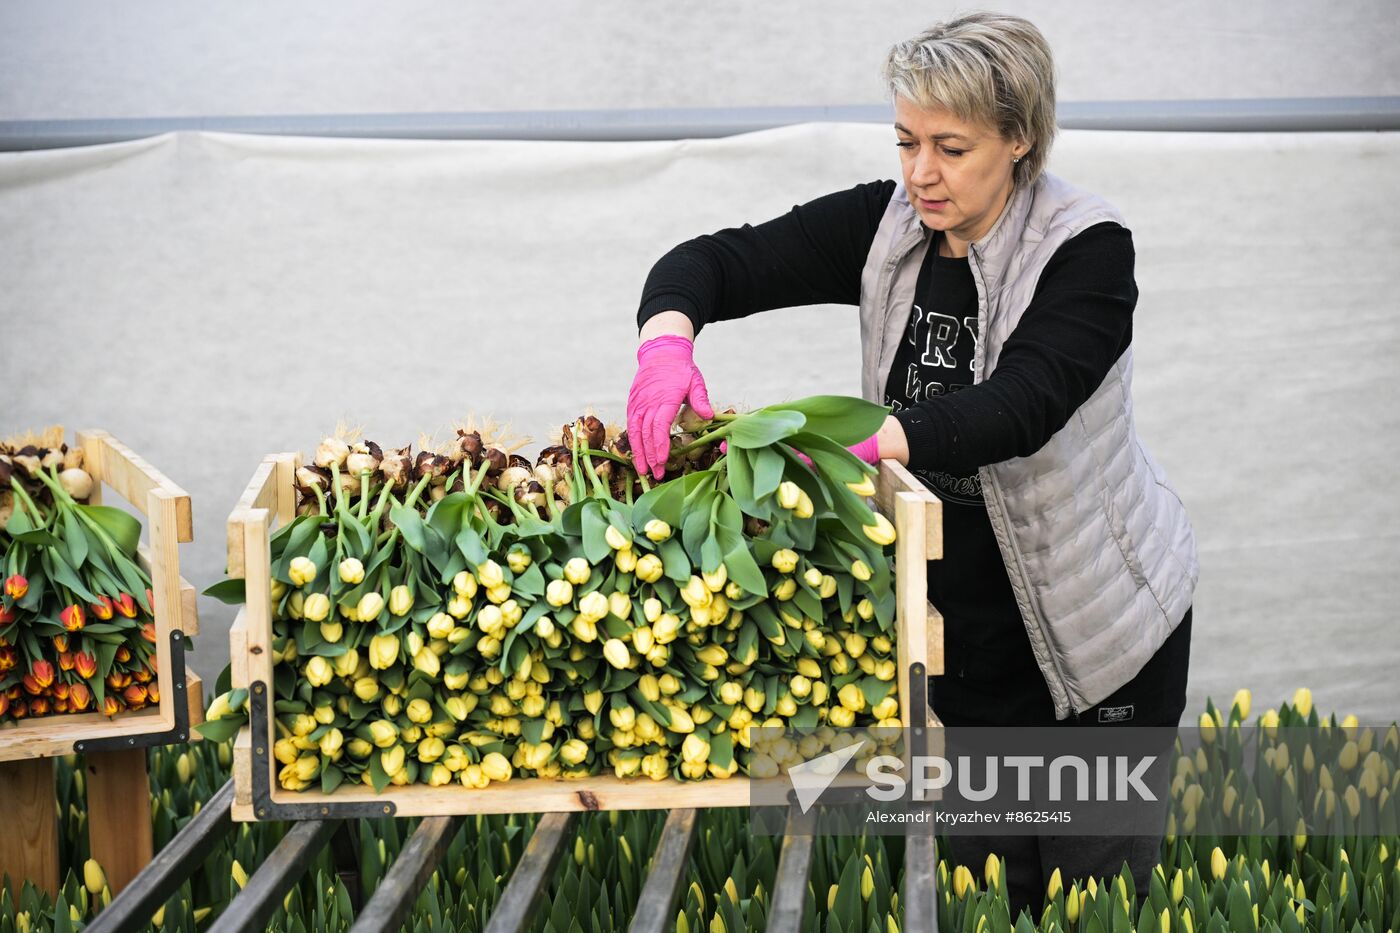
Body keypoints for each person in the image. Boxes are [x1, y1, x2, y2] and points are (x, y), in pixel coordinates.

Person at [625, 11, 1198, 920]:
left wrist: (864, 441)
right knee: (978, 894)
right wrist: (666, 344)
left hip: (1094, 645)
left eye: (950, 146)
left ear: (1019, 139)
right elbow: (714, 262)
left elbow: (1026, 400)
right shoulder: (890, 224)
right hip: (959, 642)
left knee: (1092, 900)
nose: (920, 171)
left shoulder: (1087, 250)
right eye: (905, 140)